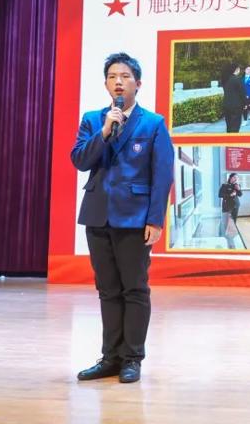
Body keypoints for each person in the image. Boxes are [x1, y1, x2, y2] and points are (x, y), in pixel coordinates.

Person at [71, 52, 174, 384]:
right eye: (113, 76)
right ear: (105, 84)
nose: (119, 82)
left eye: (125, 76)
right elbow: (80, 160)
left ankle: (132, 358)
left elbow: (162, 176)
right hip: (98, 215)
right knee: (107, 290)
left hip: (134, 218)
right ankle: (110, 357)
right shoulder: (93, 120)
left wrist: (155, 220)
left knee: (134, 289)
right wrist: (104, 132)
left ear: (138, 84)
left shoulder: (153, 124)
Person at [220, 63, 246, 133]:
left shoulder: (225, 79)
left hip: (226, 104)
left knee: (229, 125)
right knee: (235, 126)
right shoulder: (238, 79)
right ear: (237, 69)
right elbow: (242, 93)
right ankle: (233, 139)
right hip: (236, 106)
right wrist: (245, 104)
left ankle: (228, 138)